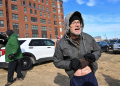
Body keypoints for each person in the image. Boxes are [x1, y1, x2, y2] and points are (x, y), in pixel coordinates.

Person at [53, 11, 101, 86]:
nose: (77, 24)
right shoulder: (61, 43)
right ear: (68, 25)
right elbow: (57, 61)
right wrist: (70, 64)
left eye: (78, 22)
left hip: (90, 76)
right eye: (74, 22)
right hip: (76, 79)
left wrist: (94, 56)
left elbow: (98, 50)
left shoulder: (88, 38)